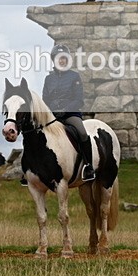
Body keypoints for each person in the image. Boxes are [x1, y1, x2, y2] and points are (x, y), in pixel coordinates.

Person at [43, 44, 95, 182]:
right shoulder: (48, 79)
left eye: (64, 58)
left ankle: (88, 167)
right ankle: (31, 169)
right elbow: (45, 100)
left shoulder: (74, 76)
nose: (61, 61)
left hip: (70, 114)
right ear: (54, 60)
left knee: (83, 133)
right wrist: (52, 112)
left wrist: (65, 110)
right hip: (53, 116)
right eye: (59, 58)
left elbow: (78, 100)